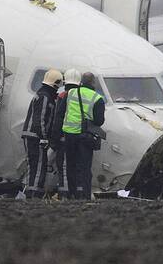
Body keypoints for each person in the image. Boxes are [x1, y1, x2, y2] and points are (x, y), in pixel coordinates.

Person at [61, 72, 106, 200]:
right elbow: (99, 121)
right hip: (85, 136)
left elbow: (60, 112)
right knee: (85, 167)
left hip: (69, 134)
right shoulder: (97, 98)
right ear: (93, 83)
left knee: (71, 166)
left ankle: (72, 194)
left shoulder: (70, 93)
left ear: (81, 81)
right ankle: (84, 195)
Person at [21, 69, 62, 198]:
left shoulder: (42, 94)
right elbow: (41, 119)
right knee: (38, 165)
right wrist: (44, 137)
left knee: (35, 164)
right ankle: (33, 193)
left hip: (32, 136)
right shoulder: (45, 97)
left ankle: (32, 191)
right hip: (36, 137)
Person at [50, 68, 81, 199]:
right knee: (77, 167)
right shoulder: (82, 95)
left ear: (65, 81)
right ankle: (77, 193)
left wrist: (54, 139)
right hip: (80, 138)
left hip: (64, 137)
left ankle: (64, 194)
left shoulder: (63, 96)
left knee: (63, 166)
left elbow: (58, 118)